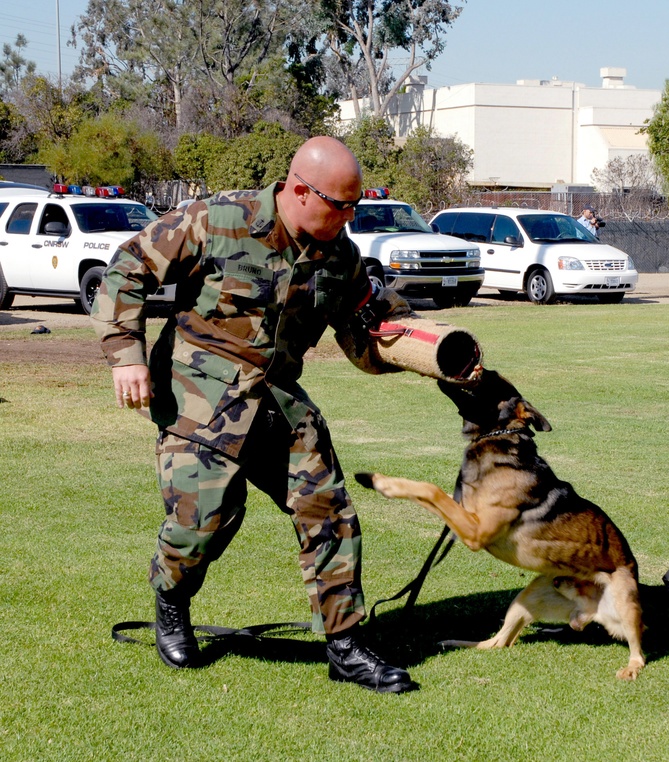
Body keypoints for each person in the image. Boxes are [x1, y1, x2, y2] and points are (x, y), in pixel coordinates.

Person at [91, 136, 423, 693]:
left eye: (354, 207)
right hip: (199, 395)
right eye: (338, 205)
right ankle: (171, 601)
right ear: (299, 190)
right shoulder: (216, 220)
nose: (347, 219)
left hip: (277, 400)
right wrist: (126, 356)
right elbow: (127, 269)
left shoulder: (339, 257)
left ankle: (345, 646)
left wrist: (422, 350)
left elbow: (367, 336)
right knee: (202, 525)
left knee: (329, 511)